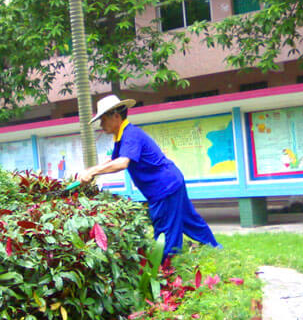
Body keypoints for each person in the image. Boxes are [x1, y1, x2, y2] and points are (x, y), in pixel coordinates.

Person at [78, 94, 220, 259]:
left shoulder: (130, 134)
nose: (101, 124)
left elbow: (122, 163)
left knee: (165, 231)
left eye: (103, 119)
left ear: (116, 116)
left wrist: (92, 172)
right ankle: (215, 248)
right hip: (172, 181)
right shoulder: (121, 136)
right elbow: (114, 160)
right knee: (188, 219)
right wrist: (90, 170)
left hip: (164, 187)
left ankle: (168, 267)